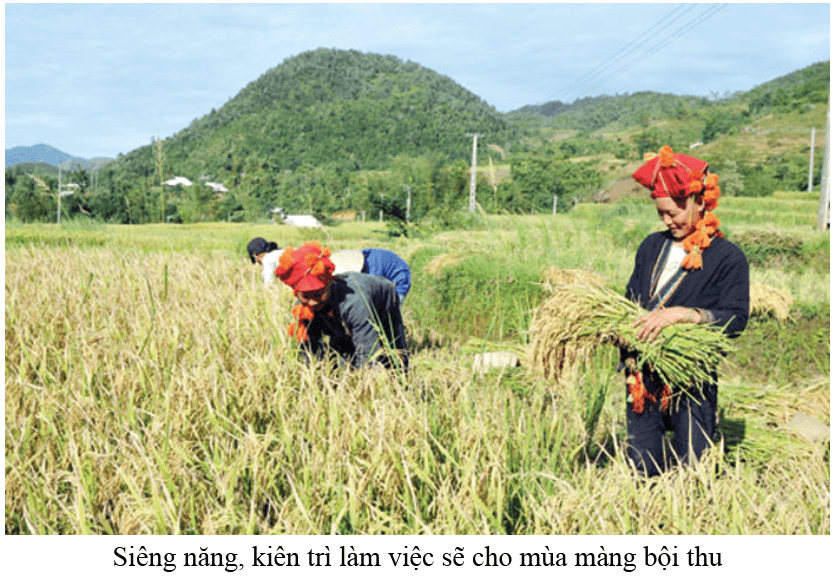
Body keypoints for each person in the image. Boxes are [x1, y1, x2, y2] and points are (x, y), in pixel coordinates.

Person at [622, 145, 749, 477]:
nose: (667, 220)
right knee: (642, 465)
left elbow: (736, 317)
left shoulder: (727, 257)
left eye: (673, 212)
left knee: (692, 467)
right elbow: (631, 298)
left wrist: (684, 314)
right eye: (660, 212)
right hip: (642, 376)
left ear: (699, 202)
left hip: (690, 377)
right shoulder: (652, 245)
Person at [275, 241, 408, 373]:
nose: (312, 302)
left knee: (393, 347)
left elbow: (368, 353)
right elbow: (309, 346)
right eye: (305, 296)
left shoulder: (355, 301)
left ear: (329, 284)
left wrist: (367, 385)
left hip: (383, 299)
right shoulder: (303, 307)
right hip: (338, 304)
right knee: (341, 345)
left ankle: (401, 378)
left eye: (317, 294)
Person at [330, 248, 412, 304]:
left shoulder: (373, 272)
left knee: (389, 315)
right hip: (385, 271)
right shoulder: (359, 260)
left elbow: (376, 291)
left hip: (399, 281)